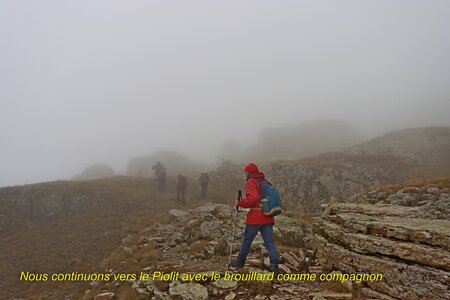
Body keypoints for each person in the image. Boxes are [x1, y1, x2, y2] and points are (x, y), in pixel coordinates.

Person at [229, 163, 279, 273]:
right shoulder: (264, 181)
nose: (244, 174)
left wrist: (240, 202)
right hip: (268, 215)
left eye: (245, 172)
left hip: (255, 217)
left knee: (247, 240)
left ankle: (240, 263)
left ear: (248, 172)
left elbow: (253, 199)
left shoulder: (251, 181)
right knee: (269, 242)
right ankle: (274, 265)